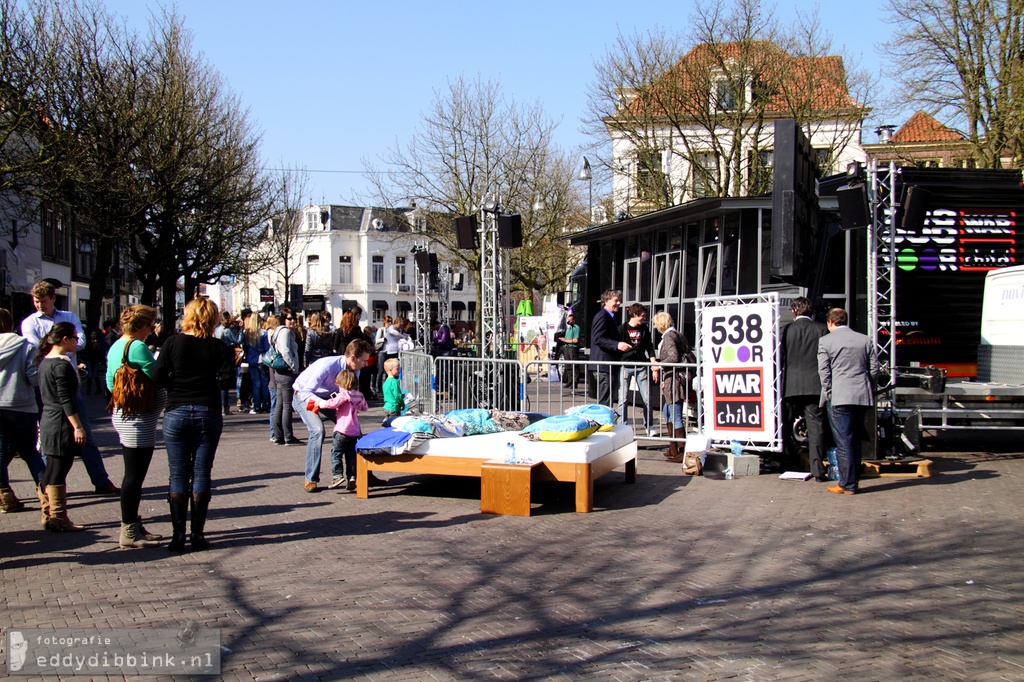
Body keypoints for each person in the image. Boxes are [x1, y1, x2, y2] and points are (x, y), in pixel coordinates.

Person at [20, 280, 119, 494]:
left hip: (69, 380)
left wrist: (57, 345)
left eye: (43, 301)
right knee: (49, 436)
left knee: (85, 433)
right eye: (36, 301)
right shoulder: (29, 322)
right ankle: (50, 485)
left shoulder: (69, 317)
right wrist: (62, 345)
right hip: (45, 383)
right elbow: (33, 347)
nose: (39, 305)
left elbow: (80, 341)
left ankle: (100, 480)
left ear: (53, 298)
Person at [153, 297, 235, 551]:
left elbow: (156, 376)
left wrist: (175, 386)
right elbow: (226, 383)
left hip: (176, 409)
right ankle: (197, 534)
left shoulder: (172, 342)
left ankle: (177, 535)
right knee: (201, 472)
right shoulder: (218, 347)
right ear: (213, 320)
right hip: (207, 410)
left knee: (177, 472)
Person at [105, 305, 166, 548]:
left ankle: (134, 524)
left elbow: (111, 382)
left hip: (127, 415)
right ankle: (128, 531)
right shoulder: (137, 346)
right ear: (142, 325)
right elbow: (157, 375)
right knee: (134, 476)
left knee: (134, 475)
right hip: (137, 420)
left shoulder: (117, 344)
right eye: (151, 325)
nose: (153, 329)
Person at [292, 338, 373, 493]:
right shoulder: (327, 366)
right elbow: (306, 392)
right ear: (352, 358)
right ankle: (311, 479)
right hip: (305, 397)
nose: (365, 364)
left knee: (353, 428)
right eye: (363, 360)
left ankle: (363, 473)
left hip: (330, 397)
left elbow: (352, 392)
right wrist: (322, 404)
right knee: (318, 431)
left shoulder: (355, 369)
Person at [817, 308, 878, 495]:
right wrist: (869, 388)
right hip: (861, 395)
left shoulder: (826, 341)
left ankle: (847, 483)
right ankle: (853, 479)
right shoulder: (865, 340)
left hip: (839, 396)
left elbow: (824, 372)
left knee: (843, 441)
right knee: (855, 439)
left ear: (830, 322)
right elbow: (874, 369)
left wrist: (828, 391)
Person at [36, 322, 88, 531]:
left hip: (48, 419)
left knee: (50, 467)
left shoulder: (45, 362)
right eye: (75, 337)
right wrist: (78, 426)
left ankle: (47, 513)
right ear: (64, 339)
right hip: (60, 423)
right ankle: (58, 517)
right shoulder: (61, 365)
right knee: (60, 467)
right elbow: (66, 399)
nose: (77, 341)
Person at [0, 308, 44, 515]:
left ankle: (4, 495)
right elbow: (33, 377)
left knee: (1, 452)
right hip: (22, 406)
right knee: (29, 451)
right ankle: (49, 497)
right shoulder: (24, 345)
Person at [781, 297, 830, 480]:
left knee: (785, 423)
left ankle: (786, 462)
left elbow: (781, 357)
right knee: (816, 427)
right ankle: (818, 470)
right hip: (814, 384)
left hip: (791, 384)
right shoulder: (821, 329)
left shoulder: (786, 330)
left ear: (794, 311)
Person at [651, 311, 694, 462]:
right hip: (674, 377)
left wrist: (658, 365)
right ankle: (673, 447)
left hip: (674, 379)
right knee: (668, 411)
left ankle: (680, 451)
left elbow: (674, 357)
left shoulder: (669, 337)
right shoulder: (677, 334)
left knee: (674, 414)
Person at [317, 369, 369, 491]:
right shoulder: (359, 395)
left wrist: (319, 403)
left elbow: (332, 404)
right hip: (355, 430)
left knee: (336, 454)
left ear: (341, 383)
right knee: (351, 456)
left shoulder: (343, 395)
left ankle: (337, 475)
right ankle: (352, 477)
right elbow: (365, 407)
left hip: (342, 430)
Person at [617, 304, 656, 436]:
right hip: (625, 365)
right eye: (642, 316)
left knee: (647, 398)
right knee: (623, 398)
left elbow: (649, 346)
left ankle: (649, 426)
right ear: (635, 314)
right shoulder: (621, 329)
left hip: (640, 365)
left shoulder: (644, 329)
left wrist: (653, 362)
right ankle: (623, 427)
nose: (644, 318)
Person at [589, 289, 632, 407]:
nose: (619, 303)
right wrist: (617, 345)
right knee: (605, 402)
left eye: (619, 301)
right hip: (603, 366)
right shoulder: (602, 316)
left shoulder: (611, 317)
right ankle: (603, 423)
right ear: (606, 301)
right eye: (616, 300)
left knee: (608, 400)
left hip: (608, 365)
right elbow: (597, 338)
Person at [267, 313, 301, 445]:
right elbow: (285, 351)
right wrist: (293, 366)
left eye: (293, 318)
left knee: (280, 404)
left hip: (279, 371)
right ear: (283, 320)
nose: (292, 321)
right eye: (289, 318)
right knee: (286, 405)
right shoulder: (285, 332)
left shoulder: (277, 331)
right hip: (285, 371)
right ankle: (287, 436)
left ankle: (279, 435)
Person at [243, 311, 270, 414]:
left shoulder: (247, 333)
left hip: (252, 359)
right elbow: (267, 347)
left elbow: (243, 345)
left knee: (255, 383)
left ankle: (256, 405)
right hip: (262, 359)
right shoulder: (263, 332)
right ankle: (264, 405)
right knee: (264, 383)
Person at [558, 312, 580, 389]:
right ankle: (570, 381)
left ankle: (575, 382)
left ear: (574, 320)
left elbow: (576, 340)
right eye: (568, 320)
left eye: (570, 320)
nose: (569, 322)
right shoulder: (568, 329)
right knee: (568, 365)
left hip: (573, 348)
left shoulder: (576, 328)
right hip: (567, 347)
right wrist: (563, 340)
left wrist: (566, 340)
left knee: (574, 365)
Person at [381, 357, 403, 424]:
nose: (399, 371)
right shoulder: (395, 382)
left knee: (389, 422)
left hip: (387, 406)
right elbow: (397, 395)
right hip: (394, 407)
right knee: (395, 424)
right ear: (390, 370)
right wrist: (402, 403)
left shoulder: (385, 382)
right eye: (397, 369)